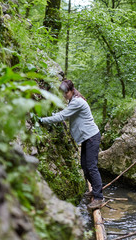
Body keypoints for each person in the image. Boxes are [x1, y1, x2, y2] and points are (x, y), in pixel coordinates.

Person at [39, 79, 104, 210]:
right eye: (62, 93)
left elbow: (62, 116)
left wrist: (42, 120)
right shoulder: (73, 100)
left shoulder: (77, 102)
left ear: (71, 91)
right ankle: (95, 191)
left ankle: (98, 198)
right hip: (88, 138)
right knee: (84, 166)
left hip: (92, 137)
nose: (64, 96)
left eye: (65, 93)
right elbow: (63, 113)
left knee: (91, 167)